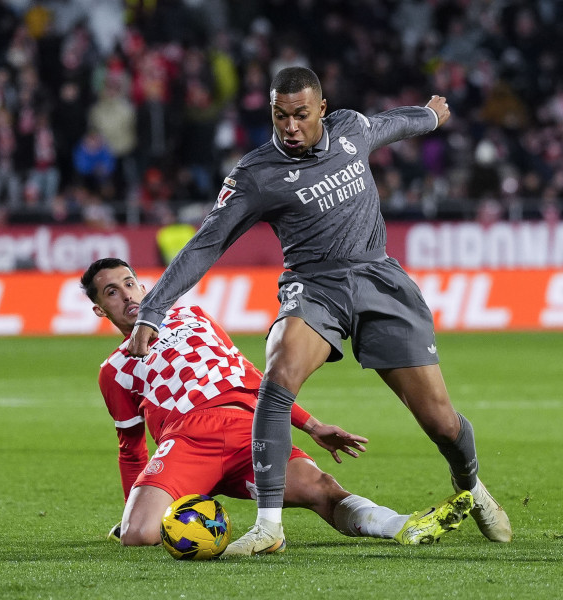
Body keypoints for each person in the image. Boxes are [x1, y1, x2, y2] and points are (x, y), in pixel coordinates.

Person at [126, 67, 512, 554]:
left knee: (440, 422)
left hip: (379, 280)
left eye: (300, 115)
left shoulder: (351, 130)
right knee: (279, 370)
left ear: (322, 111)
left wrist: (430, 117)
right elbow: (206, 245)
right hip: (314, 287)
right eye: (280, 115)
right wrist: (152, 309)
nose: (289, 126)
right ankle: (269, 526)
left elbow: (392, 123)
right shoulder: (255, 175)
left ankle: (472, 486)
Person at [82, 258, 474, 549]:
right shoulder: (114, 369)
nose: (127, 295)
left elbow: (251, 376)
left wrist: (312, 424)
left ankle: (404, 525)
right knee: (138, 536)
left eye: (129, 283)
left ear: (144, 286)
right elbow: (130, 449)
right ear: (101, 309)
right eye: (111, 292)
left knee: (322, 490)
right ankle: (195, 505)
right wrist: (128, 508)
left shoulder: (192, 317)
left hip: (245, 430)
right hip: (186, 441)